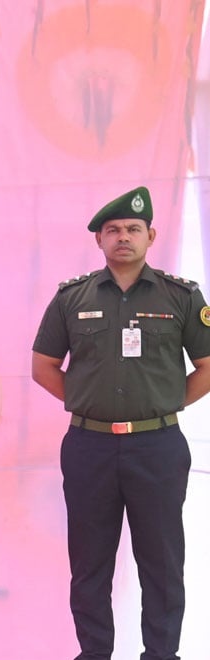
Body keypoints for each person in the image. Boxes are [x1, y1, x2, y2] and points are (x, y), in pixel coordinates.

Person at [31, 186, 210, 660]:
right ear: (99, 240)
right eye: (113, 230)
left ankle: (162, 654)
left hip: (158, 447)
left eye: (133, 229)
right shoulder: (72, 298)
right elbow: (43, 366)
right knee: (89, 565)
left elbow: (208, 366)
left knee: (162, 564)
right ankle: (94, 654)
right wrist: (88, 402)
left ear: (151, 236)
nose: (123, 237)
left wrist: (163, 403)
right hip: (88, 447)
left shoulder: (181, 295)